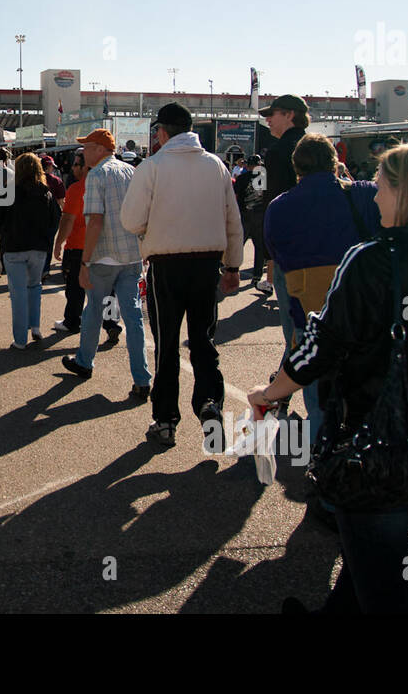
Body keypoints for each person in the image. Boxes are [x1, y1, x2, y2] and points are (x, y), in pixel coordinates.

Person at [248, 138, 408, 613]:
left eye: (382, 186)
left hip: (373, 452)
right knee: (374, 559)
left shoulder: (370, 260)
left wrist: (271, 392)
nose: (376, 196)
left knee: (387, 590)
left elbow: (321, 347)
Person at [121, 103, 242, 451]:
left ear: (161, 132)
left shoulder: (153, 166)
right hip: (206, 264)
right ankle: (209, 402)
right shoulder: (216, 165)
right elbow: (232, 219)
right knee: (203, 339)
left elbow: (131, 220)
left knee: (167, 345)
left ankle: (165, 420)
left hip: (166, 265)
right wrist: (232, 267)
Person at [263, 132, 381, 434]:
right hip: (359, 313)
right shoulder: (363, 194)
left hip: (310, 311)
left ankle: (319, 459)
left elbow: (275, 252)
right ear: (335, 163)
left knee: (318, 399)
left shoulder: (279, 207)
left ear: (296, 167)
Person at [59, 129, 152, 401]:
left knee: (93, 311)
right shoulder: (130, 171)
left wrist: (85, 262)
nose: (83, 153)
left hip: (104, 256)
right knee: (133, 317)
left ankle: (85, 362)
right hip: (131, 255)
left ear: (100, 149)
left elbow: (95, 221)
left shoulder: (97, 175)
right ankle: (141, 378)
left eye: (87, 147)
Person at [0, 153, 58, 348]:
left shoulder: (9, 190)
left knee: (18, 293)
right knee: (35, 287)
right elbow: (55, 220)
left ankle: (20, 339)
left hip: (14, 246)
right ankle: (35, 327)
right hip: (38, 248)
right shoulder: (46, 192)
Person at [51, 149, 121, 341]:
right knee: (108, 290)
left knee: (75, 288)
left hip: (78, 247)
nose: (72, 167)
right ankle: (111, 323)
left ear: (85, 166)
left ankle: (72, 320)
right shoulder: (108, 184)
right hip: (105, 247)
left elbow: (67, 220)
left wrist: (58, 243)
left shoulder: (77, 189)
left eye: (75, 164)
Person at [259, 94, 310, 353]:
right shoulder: (317, 146)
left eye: (273, 114)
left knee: (294, 326)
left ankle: (290, 377)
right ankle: (287, 374)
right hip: (320, 246)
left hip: (288, 249)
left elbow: (273, 200)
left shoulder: (279, 151)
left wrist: (268, 249)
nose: (267, 120)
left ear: (290, 115)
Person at [234, 153, 269, 290]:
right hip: (260, 215)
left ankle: (232, 268)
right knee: (259, 247)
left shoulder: (242, 178)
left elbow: (236, 196)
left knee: (239, 243)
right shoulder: (264, 177)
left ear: (248, 165)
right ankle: (257, 276)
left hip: (245, 214)